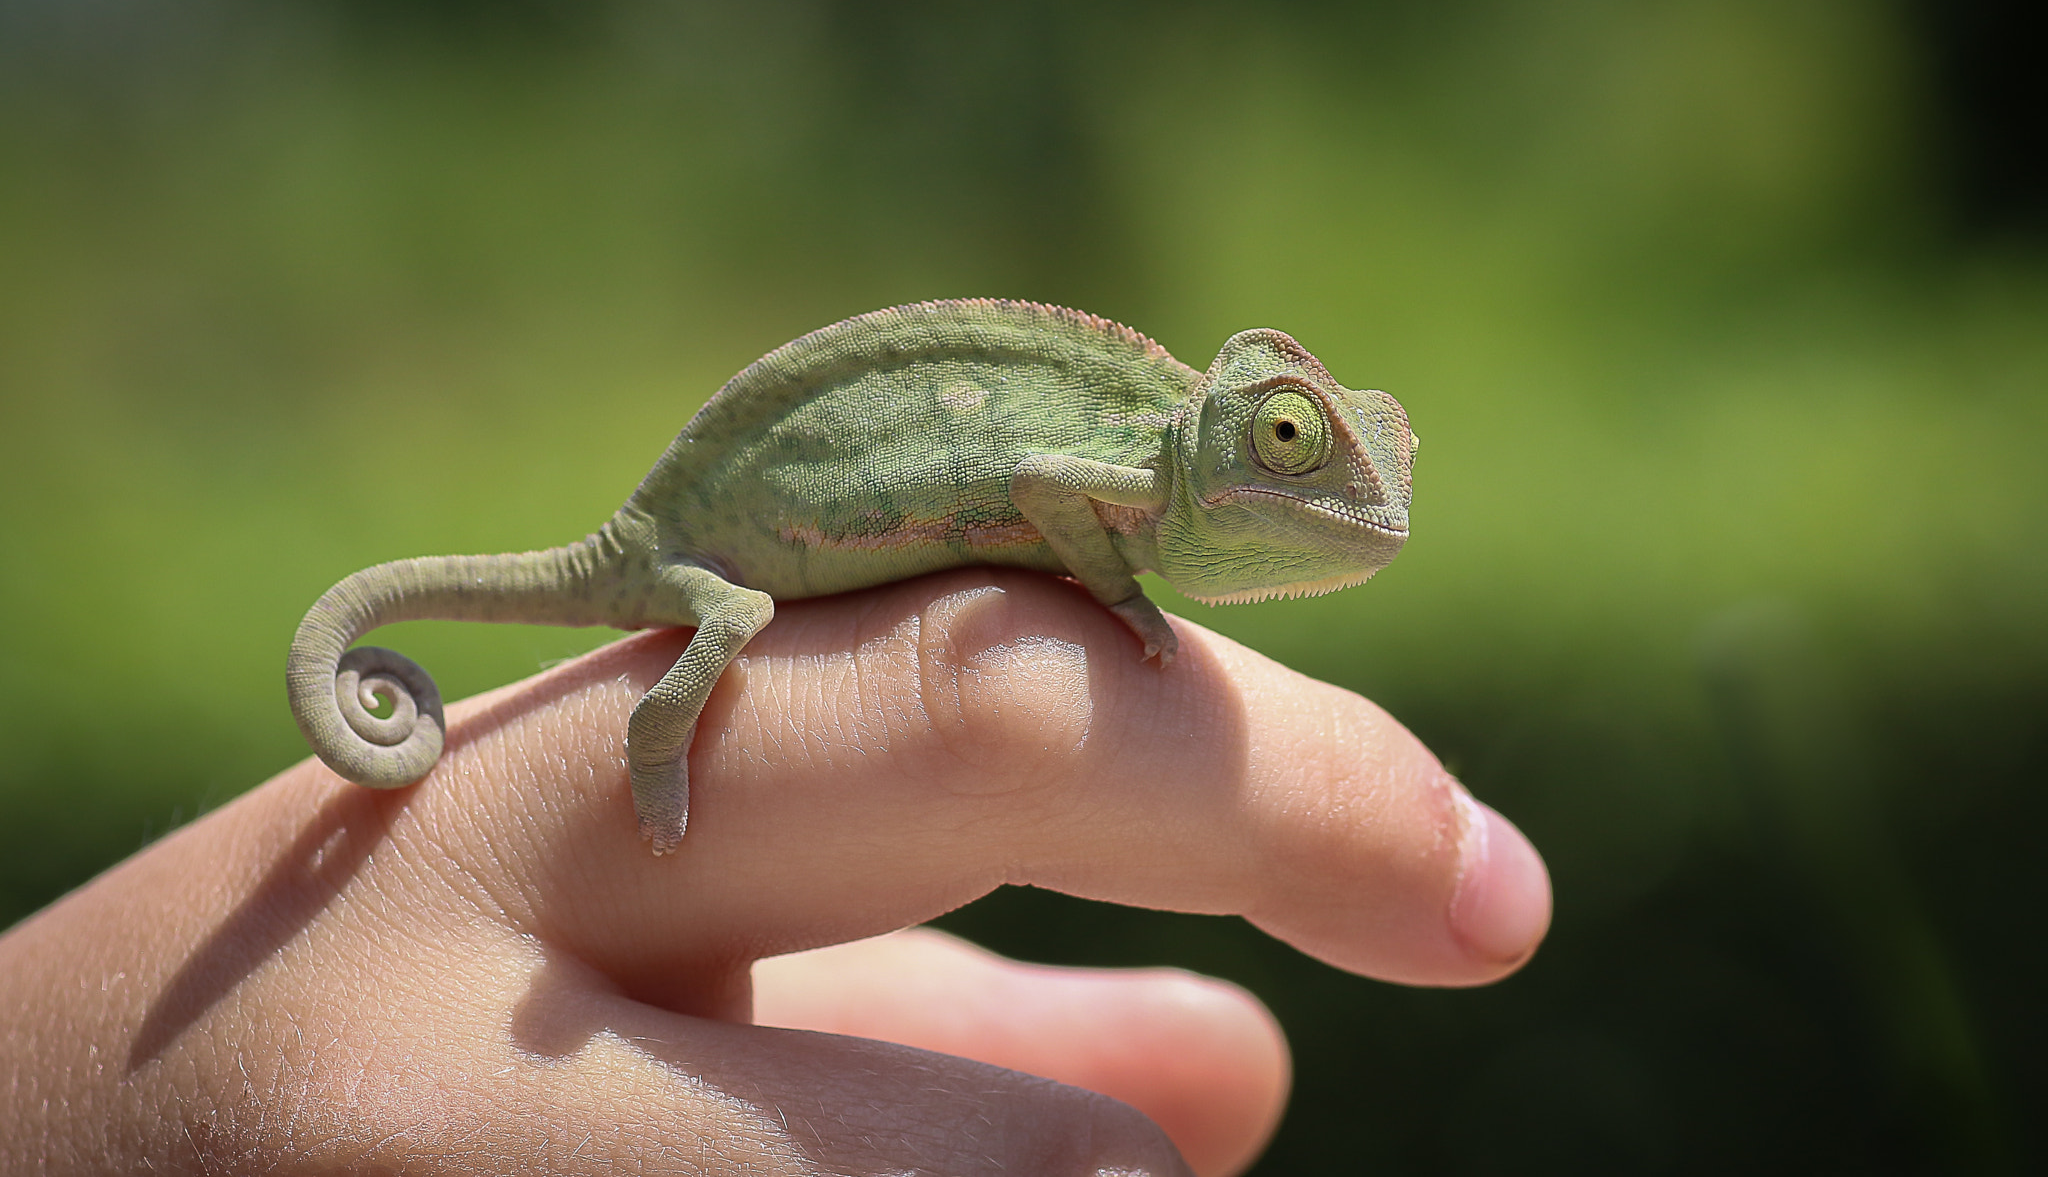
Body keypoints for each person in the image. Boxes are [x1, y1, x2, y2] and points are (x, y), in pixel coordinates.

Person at [0, 570, 1549, 1176]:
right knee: (724, 632)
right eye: (1287, 447)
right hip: (712, 550)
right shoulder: (1121, 467)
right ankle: (665, 740)